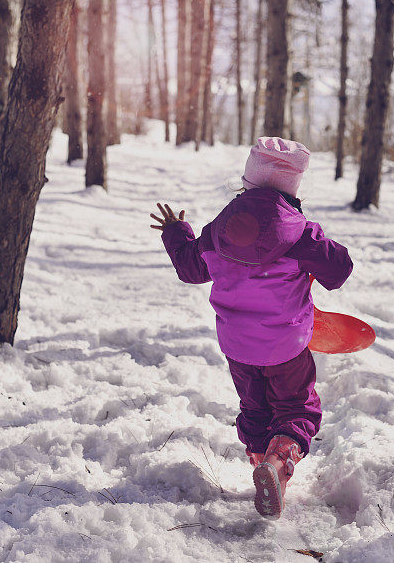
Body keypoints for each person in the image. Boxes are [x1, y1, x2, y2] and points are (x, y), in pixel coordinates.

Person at [150, 137, 353, 519]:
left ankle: (264, 465)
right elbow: (340, 270)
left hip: (237, 347)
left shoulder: (217, 231)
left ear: (248, 180)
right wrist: (318, 246)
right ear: (293, 187)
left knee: (255, 409)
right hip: (286, 346)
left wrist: (176, 231)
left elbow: (191, 269)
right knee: (296, 407)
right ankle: (278, 466)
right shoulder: (302, 234)